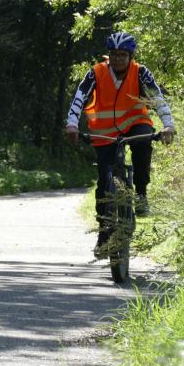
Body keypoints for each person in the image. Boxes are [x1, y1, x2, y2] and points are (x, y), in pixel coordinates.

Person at [65, 31, 176, 258]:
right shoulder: (96, 73)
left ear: (130, 56)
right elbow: (79, 98)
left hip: (136, 124)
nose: (117, 59)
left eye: (122, 55)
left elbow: (157, 99)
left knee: (144, 142)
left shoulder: (141, 72)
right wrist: (72, 124)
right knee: (104, 182)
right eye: (114, 54)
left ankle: (141, 194)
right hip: (104, 131)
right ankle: (103, 234)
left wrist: (168, 125)